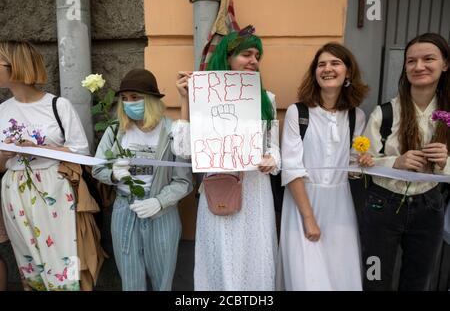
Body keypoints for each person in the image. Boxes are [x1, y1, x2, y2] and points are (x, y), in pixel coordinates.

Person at [174, 27, 280, 290]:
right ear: (228, 57)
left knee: (254, 257)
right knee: (220, 257)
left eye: (257, 56)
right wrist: (186, 101)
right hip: (219, 189)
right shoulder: (203, 96)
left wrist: (271, 158)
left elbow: (274, 147)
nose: (254, 61)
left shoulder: (266, 99)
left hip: (255, 191)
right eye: (246, 54)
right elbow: (184, 150)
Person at [277, 42, 371, 290]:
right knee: (305, 279)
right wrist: (309, 218)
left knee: (340, 276)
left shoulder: (356, 116)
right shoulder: (299, 113)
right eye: (321, 64)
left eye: (335, 63)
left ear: (348, 72)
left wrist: (363, 161)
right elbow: (291, 168)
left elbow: (350, 166)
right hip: (302, 202)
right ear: (314, 73)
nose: (327, 69)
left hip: (340, 204)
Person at [361, 33, 450, 291]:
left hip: (430, 206)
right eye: (411, 61)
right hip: (381, 205)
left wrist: (445, 162)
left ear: (445, 64)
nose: (419, 66)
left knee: (418, 281)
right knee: (375, 278)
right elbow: (362, 162)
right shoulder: (384, 113)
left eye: (428, 59)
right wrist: (394, 162)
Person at [92, 69, 193, 291]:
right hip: (124, 209)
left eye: (135, 98)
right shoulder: (116, 130)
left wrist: (159, 202)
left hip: (162, 214)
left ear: (151, 101)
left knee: (162, 279)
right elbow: (97, 168)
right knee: (131, 280)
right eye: (125, 98)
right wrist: (112, 174)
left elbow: (184, 181)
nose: (129, 103)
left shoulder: (172, 132)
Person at [0, 41, 90, 290]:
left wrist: (37, 149)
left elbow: (81, 151)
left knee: (62, 254)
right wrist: (6, 152)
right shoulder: (2, 110)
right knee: (27, 260)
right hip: (13, 190)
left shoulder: (57, 106)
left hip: (53, 187)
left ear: (15, 66)